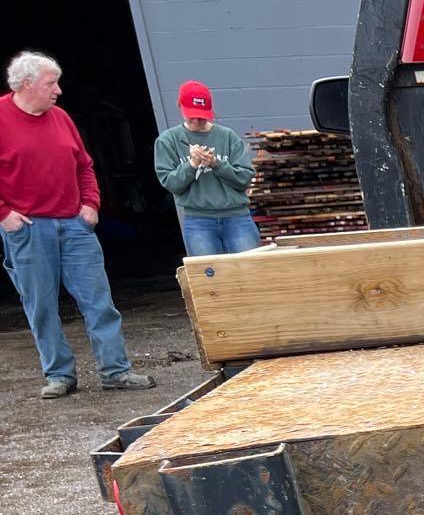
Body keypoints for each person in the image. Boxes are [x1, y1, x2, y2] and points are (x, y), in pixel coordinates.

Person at [0, 51, 152, 398]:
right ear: (26, 85)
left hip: (74, 224)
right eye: (51, 83)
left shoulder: (61, 117)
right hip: (28, 229)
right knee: (40, 306)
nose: (58, 91)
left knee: (99, 300)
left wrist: (90, 204)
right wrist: (4, 213)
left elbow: (84, 164)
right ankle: (59, 375)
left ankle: (116, 370)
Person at [153, 80, 259, 257]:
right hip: (198, 220)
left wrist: (216, 164)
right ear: (180, 107)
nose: (196, 120)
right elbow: (171, 184)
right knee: (209, 278)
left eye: (201, 115)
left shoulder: (227, 136)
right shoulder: (167, 140)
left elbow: (245, 178)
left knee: (250, 272)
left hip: (237, 217)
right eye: (191, 115)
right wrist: (191, 165)